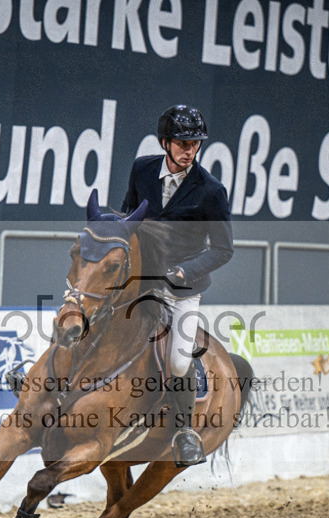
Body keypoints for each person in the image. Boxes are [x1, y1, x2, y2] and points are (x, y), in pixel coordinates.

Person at [121, 104, 234, 467]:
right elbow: (128, 217)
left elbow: (223, 249)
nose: (190, 151)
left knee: (178, 358)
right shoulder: (142, 170)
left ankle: (185, 431)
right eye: (183, 143)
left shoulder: (211, 190)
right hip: (139, 279)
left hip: (181, 288)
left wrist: (185, 271)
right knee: (88, 313)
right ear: (165, 142)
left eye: (196, 144)